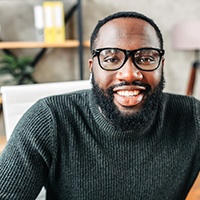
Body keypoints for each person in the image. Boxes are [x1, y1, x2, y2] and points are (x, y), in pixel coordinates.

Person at [0, 11, 200, 200]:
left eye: (146, 58)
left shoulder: (193, 117)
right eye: (111, 59)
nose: (129, 74)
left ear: (161, 65)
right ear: (92, 67)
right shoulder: (49, 118)